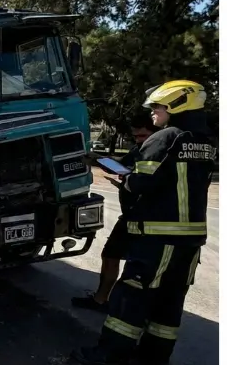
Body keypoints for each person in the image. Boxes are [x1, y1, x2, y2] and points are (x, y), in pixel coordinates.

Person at [73, 80, 215, 365]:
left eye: (157, 107)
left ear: (176, 106)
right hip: (191, 242)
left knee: (131, 299)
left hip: (157, 239)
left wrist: (126, 180)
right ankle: (153, 357)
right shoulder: (206, 141)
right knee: (169, 304)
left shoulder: (165, 137)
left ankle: (108, 356)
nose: (152, 113)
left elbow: (141, 182)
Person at [71, 116, 158, 313]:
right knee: (110, 256)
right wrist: (99, 160)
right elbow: (121, 166)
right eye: (135, 135)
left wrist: (126, 179)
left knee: (134, 264)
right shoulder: (140, 149)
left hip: (143, 217)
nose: (138, 139)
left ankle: (119, 305)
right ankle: (102, 300)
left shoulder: (157, 151)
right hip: (130, 215)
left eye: (142, 135)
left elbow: (144, 182)